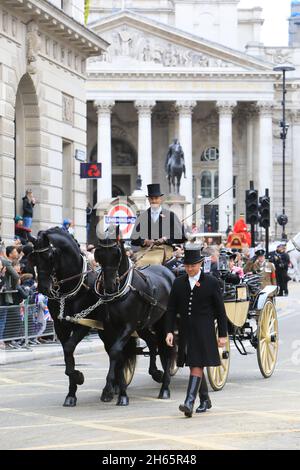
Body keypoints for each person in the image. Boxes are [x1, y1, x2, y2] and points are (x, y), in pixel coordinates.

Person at [165, 247, 228, 418]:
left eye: (193, 266)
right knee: (195, 363)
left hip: (205, 331)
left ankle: (189, 402)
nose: (190, 269)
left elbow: (221, 311)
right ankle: (205, 399)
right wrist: (169, 331)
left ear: (200, 264)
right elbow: (170, 309)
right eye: (187, 266)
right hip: (186, 331)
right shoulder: (178, 283)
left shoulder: (212, 282)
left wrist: (222, 334)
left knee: (196, 364)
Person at [131, 183, 186, 248]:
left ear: (160, 199)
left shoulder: (170, 215)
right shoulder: (142, 217)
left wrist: (165, 239)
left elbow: (181, 237)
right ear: (148, 199)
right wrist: (144, 241)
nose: (154, 201)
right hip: (146, 252)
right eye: (151, 198)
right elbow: (133, 239)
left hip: (165, 251)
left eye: (156, 198)